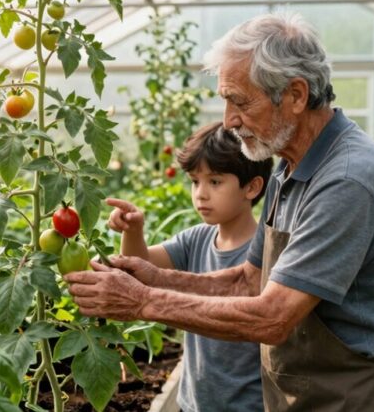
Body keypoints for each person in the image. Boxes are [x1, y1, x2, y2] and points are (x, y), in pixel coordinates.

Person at [66, 11, 374, 412]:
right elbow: (248, 280)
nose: (229, 121)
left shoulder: (347, 179)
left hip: (361, 397)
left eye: (240, 102)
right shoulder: (289, 168)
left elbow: (273, 317)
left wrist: (143, 301)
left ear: (296, 95)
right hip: (311, 393)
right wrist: (160, 277)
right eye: (225, 101)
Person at [106, 122, 272, 412]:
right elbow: (141, 270)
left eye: (215, 181)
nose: (201, 194)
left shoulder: (265, 253)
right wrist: (133, 231)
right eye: (195, 181)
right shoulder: (197, 238)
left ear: (252, 186)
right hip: (192, 402)